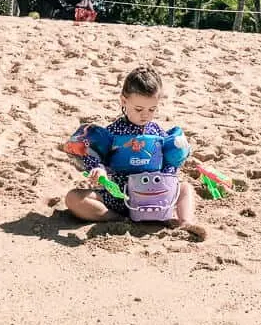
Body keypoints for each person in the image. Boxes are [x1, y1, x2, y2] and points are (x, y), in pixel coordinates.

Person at [64, 66, 203, 237]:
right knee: (73, 198)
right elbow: (100, 158)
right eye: (139, 109)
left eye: (152, 109)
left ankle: (184, 222)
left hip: (154, 194)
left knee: (186, 188)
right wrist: (100, 170)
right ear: (123, 101)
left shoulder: (158, 133)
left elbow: (170, 165)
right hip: (121, 197)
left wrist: (169, 181)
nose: (145, 115)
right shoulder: (112, 133)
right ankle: (117, 219)